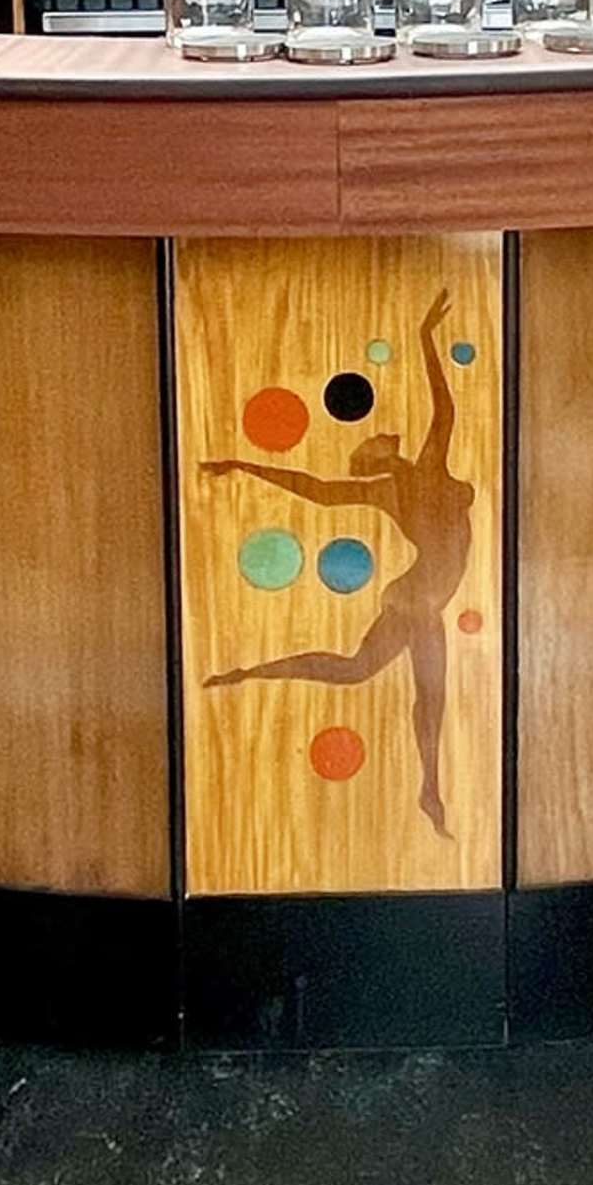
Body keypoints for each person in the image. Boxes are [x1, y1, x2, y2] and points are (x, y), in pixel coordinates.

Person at [198, 291, 478, 829]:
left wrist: (426, 338)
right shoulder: (404, 482)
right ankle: (429, 789)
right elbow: (315, 488)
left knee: (361, 672)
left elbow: (445, 407)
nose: (384, 434)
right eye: (377, 441)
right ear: (374, 459)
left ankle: (249, 673)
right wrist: (242, 464)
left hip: (418, 597)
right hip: (420, 598)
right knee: (426, 694)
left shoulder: (418, 474)